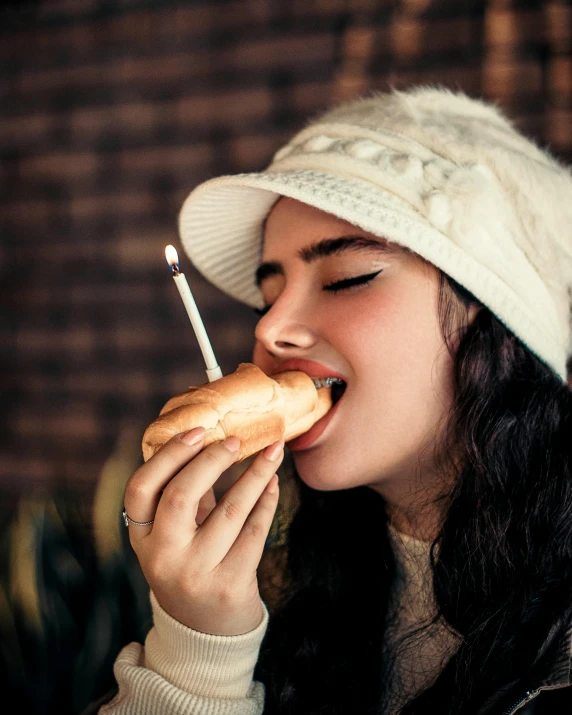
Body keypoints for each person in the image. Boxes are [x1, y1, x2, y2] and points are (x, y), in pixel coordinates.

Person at [99, 87, 572, 714]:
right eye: (268, 297)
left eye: (348, 279)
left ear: (499, 319)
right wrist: (197, 654)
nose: (269, 331)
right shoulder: (283, 585)